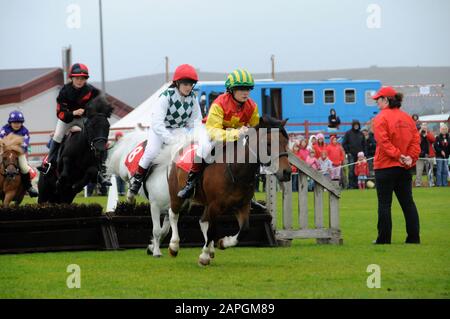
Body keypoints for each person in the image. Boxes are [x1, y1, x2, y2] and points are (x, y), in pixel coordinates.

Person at [177, 68, 260, 199]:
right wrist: (236, 133)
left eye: (248, 89)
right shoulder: (219, 103)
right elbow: (214, 132)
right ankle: (190, 184)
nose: (245, 93)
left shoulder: (252, 106)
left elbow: (256, 128)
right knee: (204, 149)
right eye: (241, 89)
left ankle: (249, 194)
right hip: (211, 130)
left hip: (234, 134)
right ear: (231, 90)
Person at [129, 64, 202, 196]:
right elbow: (157, 123)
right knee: (151, 152)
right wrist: (170, 139)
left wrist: (195, 136)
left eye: (191, 84)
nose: (189, 87)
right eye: (185, 83)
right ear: (177, 83)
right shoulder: (166, 96)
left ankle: (191, 182)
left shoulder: (193, 98)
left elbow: (196, 121)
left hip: (179, 129)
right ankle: (137, 180)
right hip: (159, 130)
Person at [37, 63, 110, 187]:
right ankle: (48, 164)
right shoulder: (64, 91)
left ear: (86, 79)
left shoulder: (92, 91)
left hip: (84, 119)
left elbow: (99, 107)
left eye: (82, 78)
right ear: (72, 78)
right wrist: (73, 113)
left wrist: (89, 112)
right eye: (77, 78)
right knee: (58, 136)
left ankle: (99, 171)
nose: (80, 81)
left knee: (93, 138)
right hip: (67, 119)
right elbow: (59, 113)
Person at [372, 86, 421, 244]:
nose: (376, 102)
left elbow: (384, 143)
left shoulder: (380, 118)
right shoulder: (408, 118)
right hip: (404, 167)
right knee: (408, 203)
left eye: (378, 99)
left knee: (384, 204)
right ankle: (413, 238)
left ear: (386, 100)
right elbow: (415, 141)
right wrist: (410, 158)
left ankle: (384, 239)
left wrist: (399, 156)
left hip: (385, 166)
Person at [0, 111, 39, 197]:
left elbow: (24, 144)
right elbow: (1, 140)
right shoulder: (4, 129)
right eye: (14, 122)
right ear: (10, 122)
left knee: (25, 168)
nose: (17, 124)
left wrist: (12, 146)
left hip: (18, 153)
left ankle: (29, 187)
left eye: (19, 122)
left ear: (22, 123)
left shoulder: (25, 131)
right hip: (5, 152)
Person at [342, 119, 366, 189]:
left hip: (360, 156)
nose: (356, 126)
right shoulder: (348, 133)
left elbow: (364, 145)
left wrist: (364, 154)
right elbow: (344, 144)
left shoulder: (361, 134)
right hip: (351, 155)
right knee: (351, 170)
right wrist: (348, 152)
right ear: (353, 125)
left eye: (357, 125)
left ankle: (358, 185)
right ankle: (351, 185)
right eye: (355, 125)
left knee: (360, 171)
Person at [415, 123, 435, 187]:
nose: (424, 128)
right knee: (419, 170)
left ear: (427, 127)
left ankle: (431, 182)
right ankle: (418, 183)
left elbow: (433, 140)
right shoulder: (418, 134)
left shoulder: (429, 133)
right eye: (423, 127)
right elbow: (415, 140)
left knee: (430, 170)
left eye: (425, 127)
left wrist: (427, 135)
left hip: (429, 155)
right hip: (420, 155)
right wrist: (419, 133)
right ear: (421, 127)